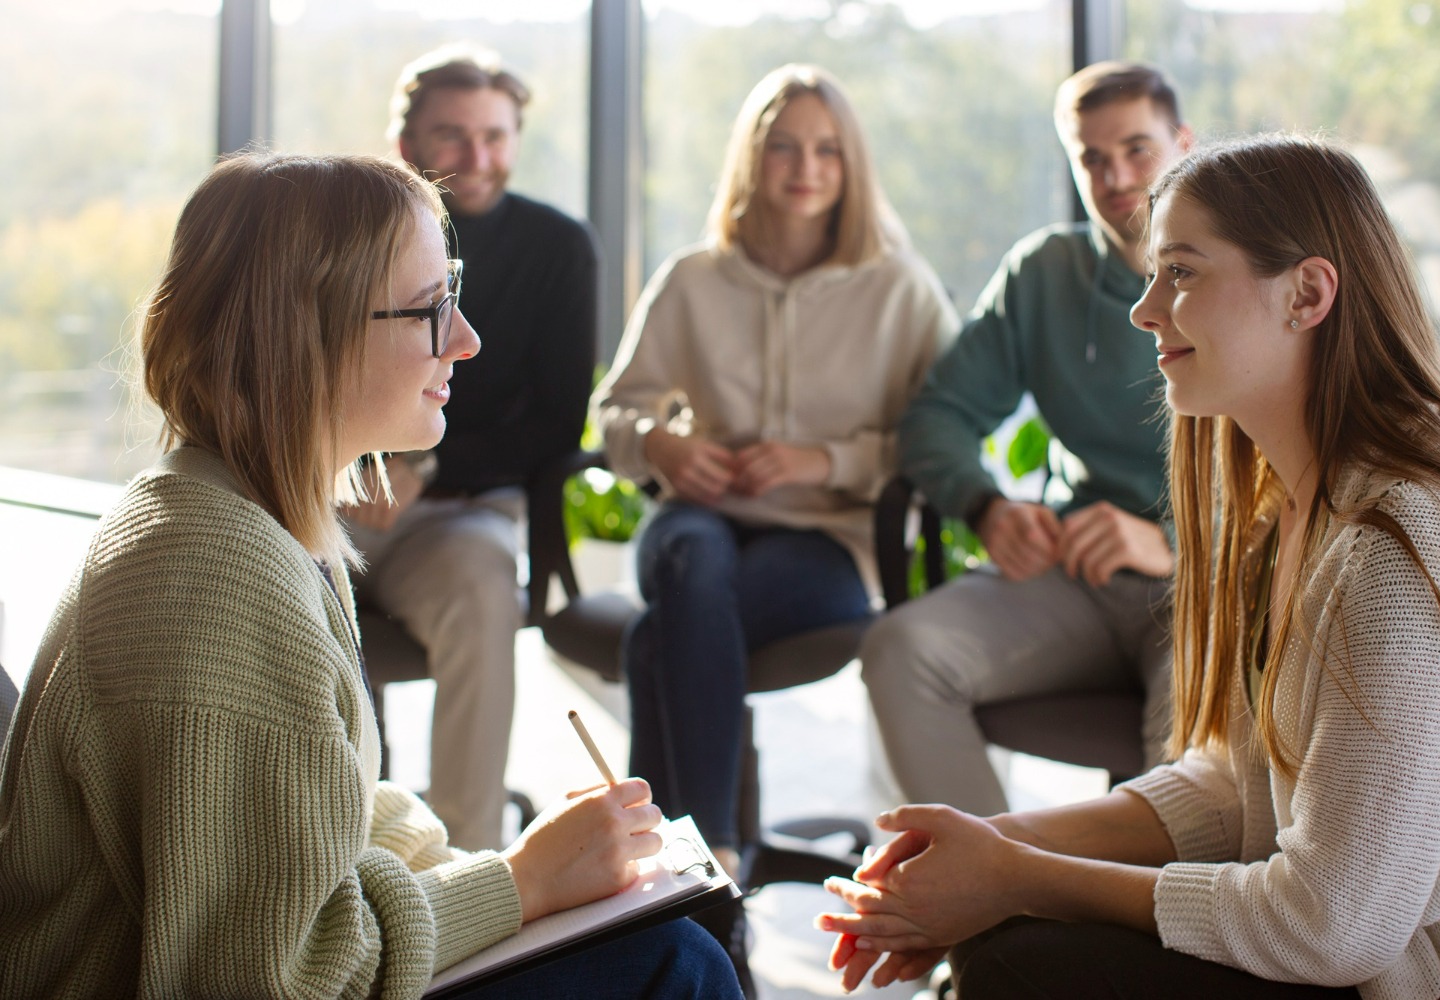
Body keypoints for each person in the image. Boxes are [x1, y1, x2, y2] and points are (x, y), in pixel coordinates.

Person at [0, 152, 737, 999]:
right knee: (676, 965)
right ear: (303, 333)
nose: (467, 339)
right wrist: (524, 883)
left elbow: (329, 811)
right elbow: (282, 979)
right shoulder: (215, 583)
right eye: (432, 309)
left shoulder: (254, 517)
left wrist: (508, 870)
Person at [817, 134, 1440, 999]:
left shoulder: (1399, 552)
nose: (1144, 310)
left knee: (1015, 952)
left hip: (1424, 979)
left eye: (1180, 272)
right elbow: (1232, 786)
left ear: (1307, 294)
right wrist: (992, 846)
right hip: (1346, 952)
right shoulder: (1286, 513)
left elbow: (1331, 928)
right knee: (1007, 938)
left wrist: (1013, 880)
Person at [592, 63, 959, 987]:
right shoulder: (693, 279)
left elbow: (940, 442)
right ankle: (710, 877)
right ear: (753, 158)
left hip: (824, 546)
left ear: (851, 164)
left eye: (827, 148)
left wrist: (823, 461)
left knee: (655, 642)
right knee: (688, 557)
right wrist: (666, 451)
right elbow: (614, 415)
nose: (806, 166)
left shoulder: (900, 288)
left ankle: (680, 892)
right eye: (785, 145)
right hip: (698, 524)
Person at [858, 61, 1194, 815]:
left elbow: (1304, 478)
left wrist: (1169, 544)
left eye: (1138, 150)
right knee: (901, 651)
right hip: (1072, 575)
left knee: (1191, 738)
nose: (1115, 178)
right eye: (1092, 159)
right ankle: (999, 908)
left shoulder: (1248, 276)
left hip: (1206, 586)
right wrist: (985, 507)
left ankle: (1147, 920)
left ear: (1183, 143)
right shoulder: (1045, 272)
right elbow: (937, 417)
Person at [344, 44, 600, 851]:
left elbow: (559, 420)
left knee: (487, 587)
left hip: (461, 512)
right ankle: (325, 836)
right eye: (452, 135)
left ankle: (467, 861)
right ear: (405, 141)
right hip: (330, 493)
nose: (477, 158)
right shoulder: (346, 237)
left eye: (495, 136)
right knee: (271, 574)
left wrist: (429, 466)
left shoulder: (560, 247)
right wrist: (363, 469)